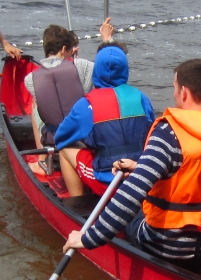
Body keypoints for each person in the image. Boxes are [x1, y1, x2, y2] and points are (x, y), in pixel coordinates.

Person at [62, 58, 201, 265]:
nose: (174, 93)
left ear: (184, 92)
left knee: (134, 209)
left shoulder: (169, 133)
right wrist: (140, 167)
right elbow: (195, 171)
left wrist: (88, 238)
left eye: (174, 87)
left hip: (167, 246)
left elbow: (131, 194)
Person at [52, 45, 154, 197]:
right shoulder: (141, 98)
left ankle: (77, 203)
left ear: (97, 70)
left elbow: (60, 139)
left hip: (109, 185)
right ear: (125, 70)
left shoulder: (86, 104)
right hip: (140, 178)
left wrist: (88, 140)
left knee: (65, 149)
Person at [24, 18, 115, 147]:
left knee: (35, 106)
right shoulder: (81, 66)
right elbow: (110, 66)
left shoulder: (30, 79)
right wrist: (107, 38)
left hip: (54, 140)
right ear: (63, 49)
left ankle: (42, 154)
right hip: (82, 138)